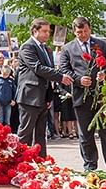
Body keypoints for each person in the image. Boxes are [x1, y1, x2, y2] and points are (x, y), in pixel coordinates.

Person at [58, 17, 106, 172]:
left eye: (85, 31)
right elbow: (64, 70)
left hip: (101, 96)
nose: (83, 34)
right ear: (74, 32)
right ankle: (90, 166)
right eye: (79, 32)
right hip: (81, 96)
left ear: (90, 29)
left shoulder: (102, 44)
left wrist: (105, 74)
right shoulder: (67, 49)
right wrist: (79, 80)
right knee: (86, 134)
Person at [16, 18, 72, 157]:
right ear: (35, 31)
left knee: (41, 134)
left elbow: (48, 72)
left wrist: (49, 96)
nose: (48, 34)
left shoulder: (46, 49)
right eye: (44, 31)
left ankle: (41, 163)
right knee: (26, 133)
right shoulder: (27, 47)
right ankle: (18, 162)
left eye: (49, 31)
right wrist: (60, 76)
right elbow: (38, 68)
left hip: (42, 97)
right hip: (29, 96)